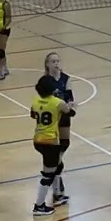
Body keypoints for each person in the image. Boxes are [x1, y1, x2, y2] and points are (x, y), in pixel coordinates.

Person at [29, 75, 74, 216]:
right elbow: (70, 112)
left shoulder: (35, 101)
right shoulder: (57, 102)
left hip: (38, 140)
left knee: (57, 166)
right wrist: (72, 106)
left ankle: (58, 195)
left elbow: (32, 114)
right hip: (51, 141)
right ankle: (39, 205)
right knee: (48, 174)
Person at [42, 53, 74, 204]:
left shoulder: (65, 79)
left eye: (57, 61)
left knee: (64, 145)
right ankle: (57, 190)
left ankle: (55, 177)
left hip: (64, 116)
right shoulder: (44, 81)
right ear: (47, 64)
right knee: (54, 153)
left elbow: (70, 98)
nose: (56, 64)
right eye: (53, 61)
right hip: (51, 120)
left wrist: (70, 105)